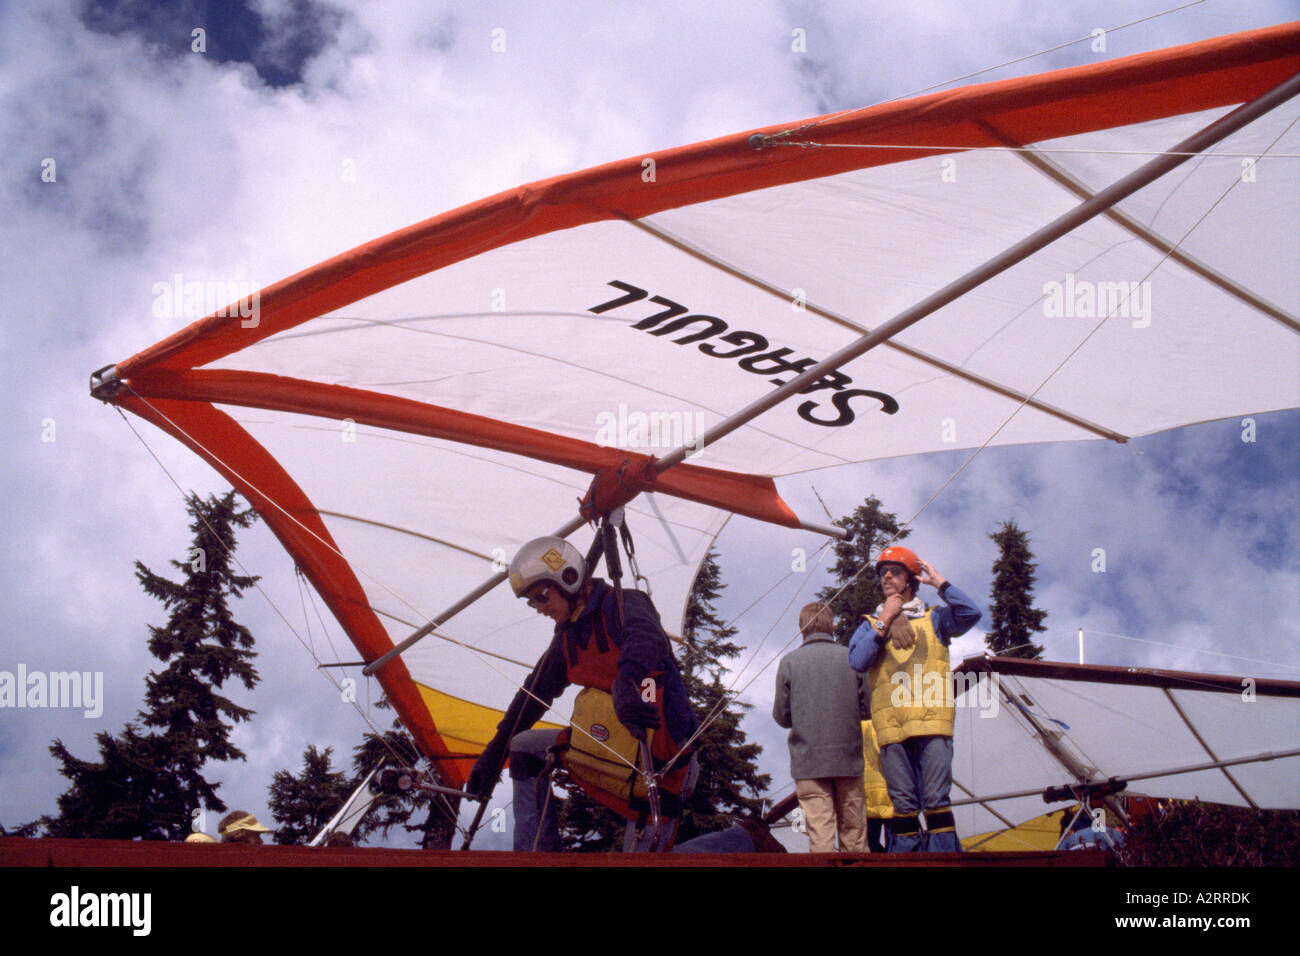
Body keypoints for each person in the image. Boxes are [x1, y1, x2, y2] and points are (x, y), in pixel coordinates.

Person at [466, 536, 698, 852]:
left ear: (569, 579)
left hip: (661, 760)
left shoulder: (624, 604)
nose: (539, 608)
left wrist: (627, 681)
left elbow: (644, 637)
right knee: (523, 748)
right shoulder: (567, 639)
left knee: (646, 862)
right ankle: (536, 855)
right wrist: (493, 755)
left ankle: (742, 840)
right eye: (531, 602)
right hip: (609, 748)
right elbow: (530, 699)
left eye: (542, 596)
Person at [848, 546, 980, 852]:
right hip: (893, 729)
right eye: (883, 573)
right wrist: (886, 620)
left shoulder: (936, 618)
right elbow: (857, 661)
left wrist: (941, 584)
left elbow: (971, 613)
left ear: (911, 578)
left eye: (895, 571)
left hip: (933, 724)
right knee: (903, 808)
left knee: (936, 803)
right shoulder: (872, 624)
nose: (887, 577)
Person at [772, 602, 869, 853]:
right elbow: (868, 707)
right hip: (848, 761)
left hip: (809, 763)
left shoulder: (789, 662)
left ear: (801, 628)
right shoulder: (851, 657)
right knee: (855, 834)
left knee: (821, 834)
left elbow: (782, 717)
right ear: (831, 625)